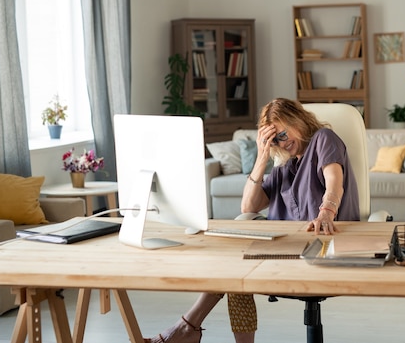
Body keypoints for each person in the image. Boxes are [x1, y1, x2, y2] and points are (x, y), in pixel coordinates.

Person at [144, 98, 359, 343]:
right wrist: (262, 156)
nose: (282, 142)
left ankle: (187, 328)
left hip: (322, 243)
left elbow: (334, 183)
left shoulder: (324, 138)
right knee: (234, 261)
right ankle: (189, 327)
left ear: (298, 120)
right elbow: (249, 206)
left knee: (233, 264)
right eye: (274, 139)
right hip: (287, 245)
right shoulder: (284, 164)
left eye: (283, 133)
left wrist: (326, 213)